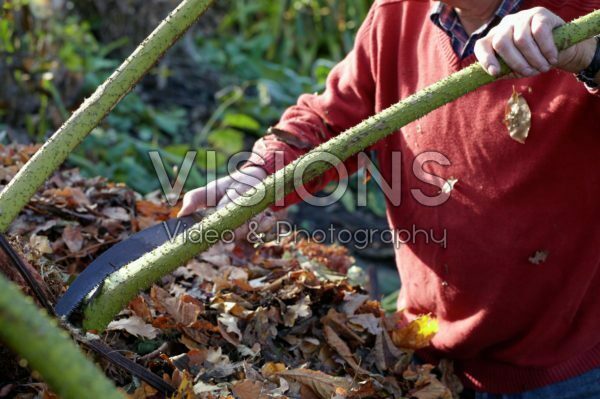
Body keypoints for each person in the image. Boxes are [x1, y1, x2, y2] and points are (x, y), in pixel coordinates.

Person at [179, 0, 600, 397]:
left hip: (566, 368)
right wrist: (262, 176)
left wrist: (589, 56)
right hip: (426, 351)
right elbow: (333, 121)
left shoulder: (579, 20)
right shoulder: (399, 12)